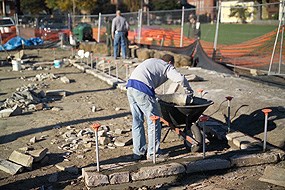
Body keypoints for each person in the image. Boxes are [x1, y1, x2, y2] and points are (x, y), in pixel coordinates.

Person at [126, 54, 194, 161]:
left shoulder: (153, 61)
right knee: (153, 121)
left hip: (130, 86)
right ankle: (154, 153)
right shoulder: (166, 66)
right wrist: (189, 92)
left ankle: (138, 152)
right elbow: (180, 78)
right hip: (142, 88)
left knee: (137, 121)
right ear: (170, 63)